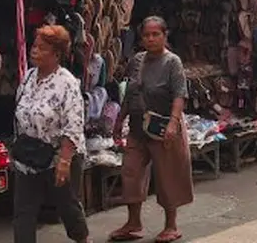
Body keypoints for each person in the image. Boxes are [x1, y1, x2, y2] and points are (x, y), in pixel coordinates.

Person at [109, 17, 193, 243]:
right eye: (146, 35)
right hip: (138, 127)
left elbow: (179, 95)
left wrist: (173, 123)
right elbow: (130, 92)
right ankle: (133, 223)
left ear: (165, 36)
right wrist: (119, 120)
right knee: (131, 172)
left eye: (156, 34)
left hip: (163, 127)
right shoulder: (137, 60)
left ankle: (171, 225)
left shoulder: (172, 62)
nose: (151, 39)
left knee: (168, 176)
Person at [12, 25, 89, 243]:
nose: (34, 50)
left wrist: (64, 161)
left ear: (56, 54)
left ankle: (82, 239)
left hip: (58, 155)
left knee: (67, 206)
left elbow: (73, 125)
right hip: (29, 155)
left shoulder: (67, 83)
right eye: (34, 46)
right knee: (23, 211)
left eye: (42, 48)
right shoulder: (28, 77)